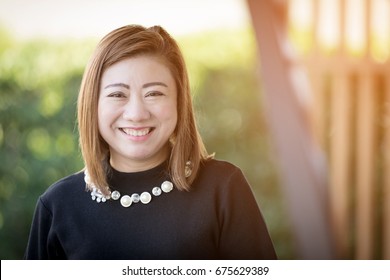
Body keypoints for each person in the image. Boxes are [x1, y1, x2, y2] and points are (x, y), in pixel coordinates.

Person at [24, 24, 277, 260]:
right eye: (117, 94)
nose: (136, 114)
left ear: (179, 102)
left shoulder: (223, 189)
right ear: (93, 105)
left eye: (154, 93)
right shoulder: (57, 206)